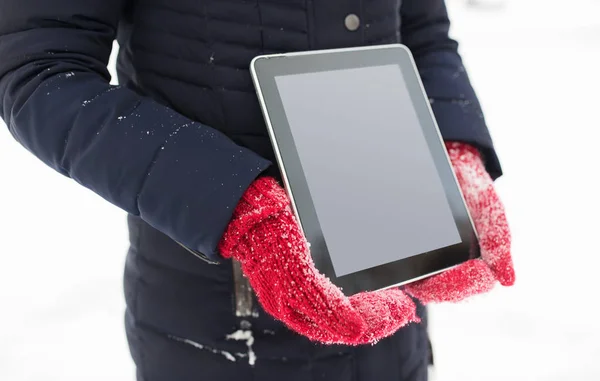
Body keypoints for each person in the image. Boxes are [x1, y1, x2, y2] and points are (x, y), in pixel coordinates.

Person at [0, 0, 515, 380]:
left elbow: (422, 30)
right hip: (214, 329)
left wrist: (452, 146)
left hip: (389, 305)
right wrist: (235, 204)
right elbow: (40, 72)